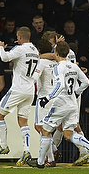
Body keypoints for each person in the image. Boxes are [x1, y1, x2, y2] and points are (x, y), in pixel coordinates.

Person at [27, 41, 89, 168]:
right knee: (68, 134)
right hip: (72, 104)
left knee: (45, 130)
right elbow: (84, 82)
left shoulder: (58, 67)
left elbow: (60, 85)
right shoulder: (73, 66)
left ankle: (40, 162)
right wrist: (76, 93)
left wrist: (48, 97)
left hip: (60, 104)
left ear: (55, 53)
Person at [0, 27, 40, 166]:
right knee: (23, 122)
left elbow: (4, 58)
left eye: (17, 37)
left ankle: (3, 145)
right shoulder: (35, 51)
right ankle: (26, 151)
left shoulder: (20, 48)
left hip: (18, 89)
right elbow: (37, 72)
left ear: (20, 37)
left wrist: (0, 47)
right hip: (30, 90)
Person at [33, 39, 58, 167]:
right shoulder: (56, 62)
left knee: (40, 127)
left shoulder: (41, 62)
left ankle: (50, 157)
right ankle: (52, 152)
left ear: (39, 50)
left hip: (44, 98)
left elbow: (34, 78)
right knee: (46, 128)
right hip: (56, 96)